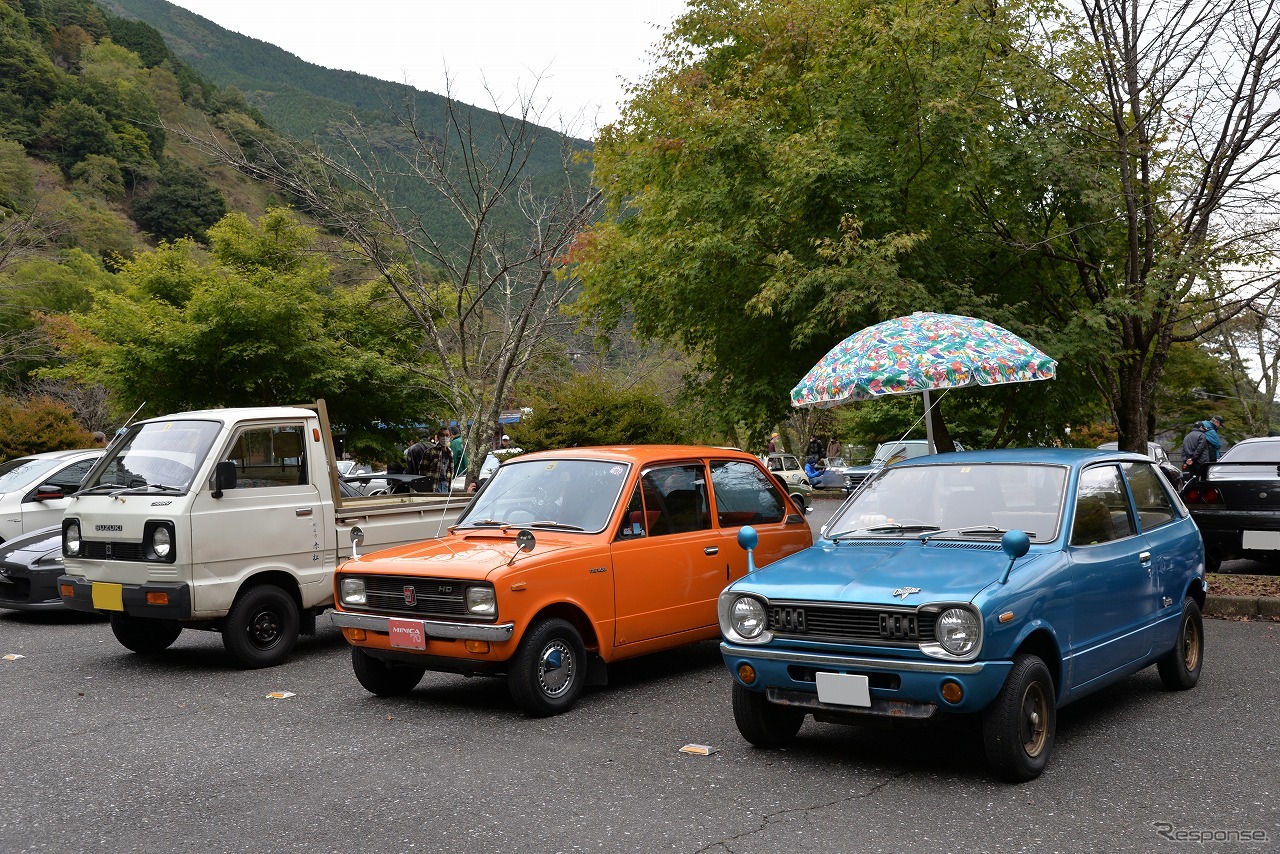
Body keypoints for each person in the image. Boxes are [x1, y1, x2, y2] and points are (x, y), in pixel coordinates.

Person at [434, 428, 453, 493]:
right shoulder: (431, 451)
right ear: (438, 437)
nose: (444, 437)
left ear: (450, 436)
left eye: (447, 435)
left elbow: (450, 470)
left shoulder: (450, 452)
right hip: (434, 485)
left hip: (445, 485)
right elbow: (423, 471)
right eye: (442, 435)